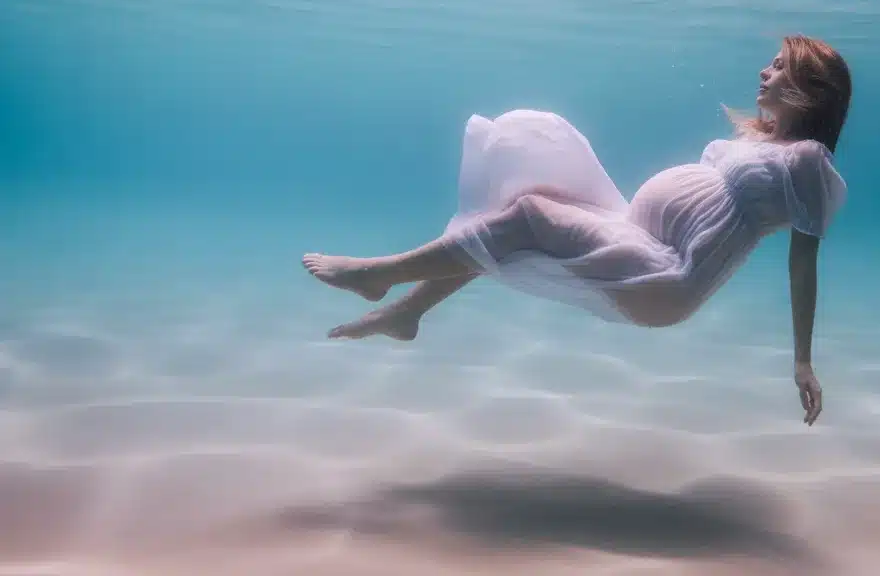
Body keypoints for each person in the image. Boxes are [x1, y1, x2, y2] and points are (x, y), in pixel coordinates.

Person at [303, 35, 851, 425]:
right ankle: (407, 311)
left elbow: (803, 263)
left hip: (668, 274)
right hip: (637, 236)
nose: (764, 72)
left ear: (809, 90)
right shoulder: (759, 142)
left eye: (779, 66)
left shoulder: (806, 163)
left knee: (530, 219)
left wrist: (802, 360)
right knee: (521, 210)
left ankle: (380, 275)